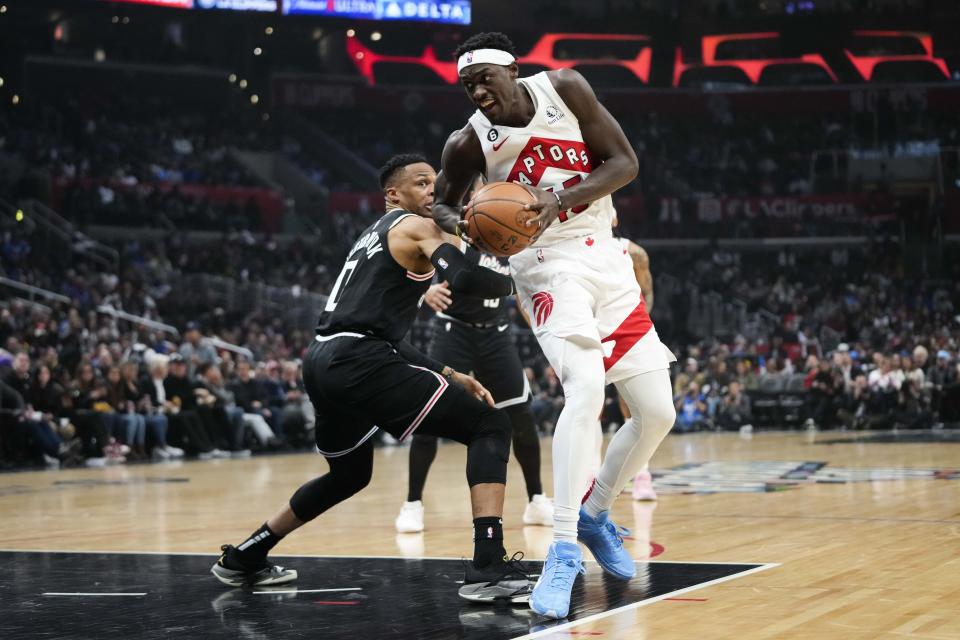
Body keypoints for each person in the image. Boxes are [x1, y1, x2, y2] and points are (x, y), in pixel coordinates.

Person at [212, 154, 533, 604]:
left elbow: (384, 332)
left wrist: (446, 372)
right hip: (358, 359)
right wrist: (521, 274)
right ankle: (487, 567)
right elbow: (463, 279)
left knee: (348, 475)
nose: (432, 190)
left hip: (324, 359)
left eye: (435, 183)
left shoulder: (371, 235)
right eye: (421, 183)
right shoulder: (418, 227)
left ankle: (245, 556)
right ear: (393, 195)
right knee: (489, 424)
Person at [432, 32, 676, 619]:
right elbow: (440, 203)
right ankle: (563, 547)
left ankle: (595, 514)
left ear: (513, 70)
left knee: (657, 410)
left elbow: (625, 163)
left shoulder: (565, 87)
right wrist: (465, 223)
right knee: (587, 389)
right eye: (468, 84)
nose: (477, 90)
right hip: (543, 266)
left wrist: (556, 199)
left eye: (485, 77)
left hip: (604, 254)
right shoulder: (468, 141)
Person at [396, 176, 551, 534]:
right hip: (454, 333)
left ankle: (536, 498)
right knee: (429, 418)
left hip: (496, 336)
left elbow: (528, 289)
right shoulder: (451, 230)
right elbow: (407, 266)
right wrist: (425, 295)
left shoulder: (514, 228)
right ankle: (412, 503)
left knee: (522, 420)